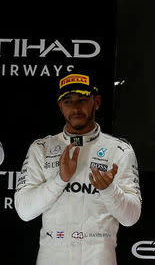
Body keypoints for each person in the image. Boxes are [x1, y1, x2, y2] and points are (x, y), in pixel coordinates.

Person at [14, 72, 142, 265]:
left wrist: (108, 190)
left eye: (82, 99)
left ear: (96, 102)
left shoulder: (119, 150)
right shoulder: (41, 148)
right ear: (60, 106)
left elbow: (131, 218)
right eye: (67, 101)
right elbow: (24, 211)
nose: (75, 108)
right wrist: (60, 180)